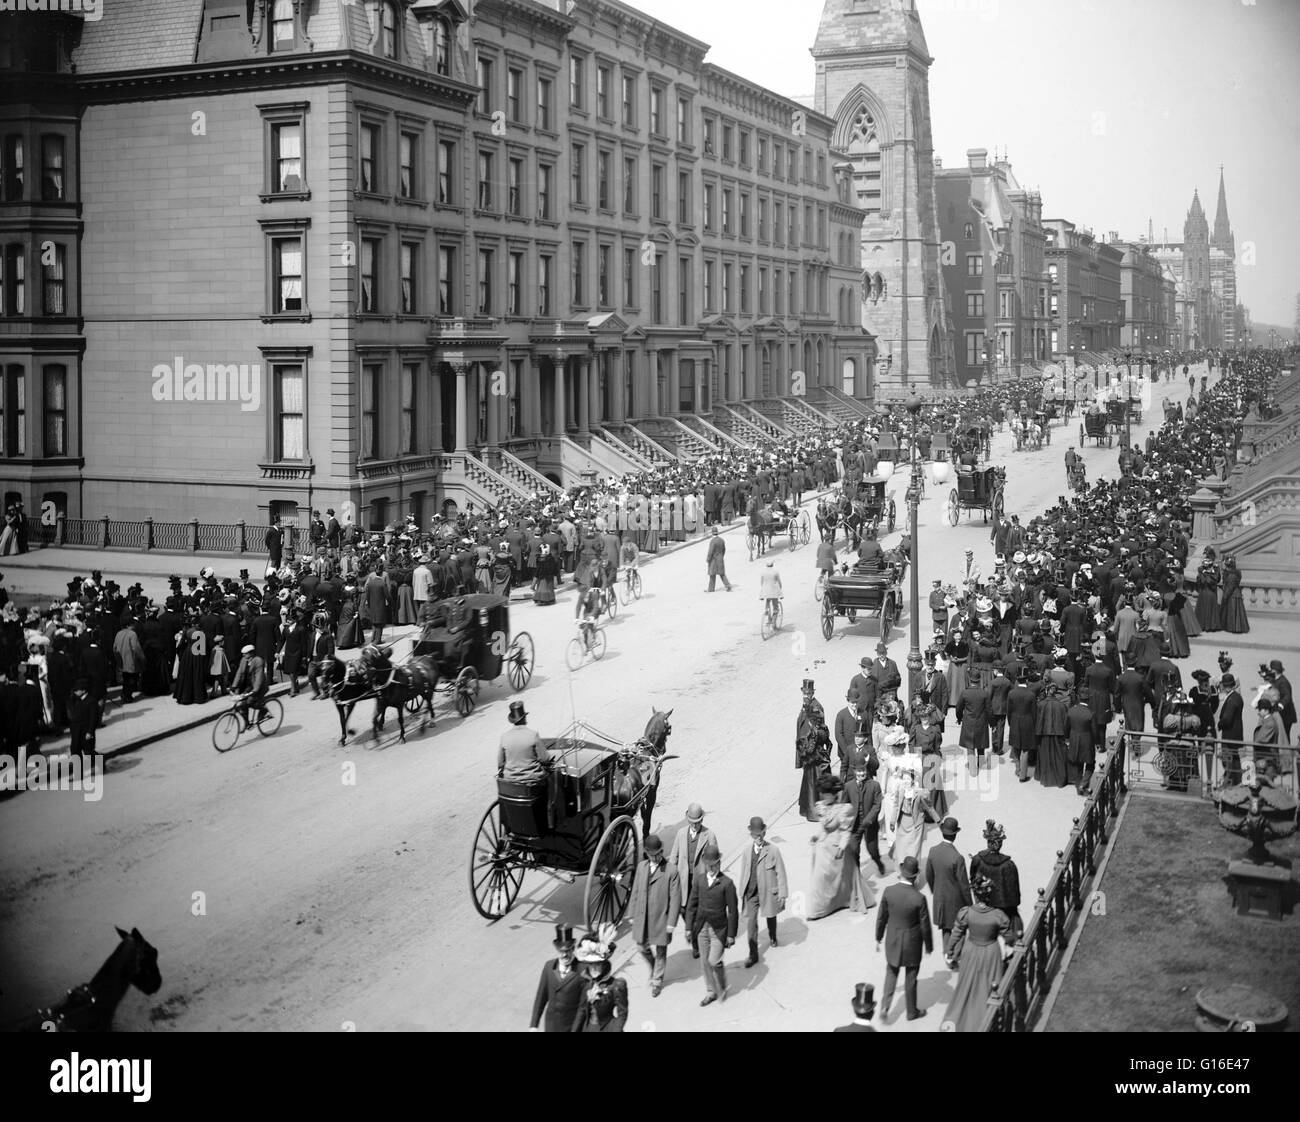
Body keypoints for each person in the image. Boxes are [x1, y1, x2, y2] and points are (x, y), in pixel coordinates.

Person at [942, 874, 1012, 1032]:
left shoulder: (966, 913)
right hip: (991, 953)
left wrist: (950, 951)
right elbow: (1009, 937)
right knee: (989, 985)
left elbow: (957, 933)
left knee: (967, 984)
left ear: (975, 894)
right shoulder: (998, 916)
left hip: (970, 951)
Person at [875, 855, 933, 1022]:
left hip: (893, 939)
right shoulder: (919, 898)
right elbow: (925, 925)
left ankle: (885, 1007)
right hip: (912, 943)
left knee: (891, 973)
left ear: (901, 872)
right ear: (915, 876)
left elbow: (881, 918)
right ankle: (911, 1011)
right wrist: (928, 946)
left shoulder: (889, 892)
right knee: (911, 978)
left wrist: (878, 937)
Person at [684, 844, 738, 1007]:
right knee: (705, 963)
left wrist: (730, 934)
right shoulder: (699, 881)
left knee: (714, 961)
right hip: (701, 928)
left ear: (719, 863)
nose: (712, 867)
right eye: (709, 865)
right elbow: (691, 905)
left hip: (718, 930)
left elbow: (733, 911)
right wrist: (688, 927)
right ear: (704, 864)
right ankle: (711, 992)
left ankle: (721, 986)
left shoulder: (727, 884)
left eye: (715, 864)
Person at [628, 833, 680, 998]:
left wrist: (671, 923)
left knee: (661, 950)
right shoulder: (642, 868)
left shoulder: (671, 870)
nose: (656, 857)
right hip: (643, 917)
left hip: (661, 918)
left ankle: (657, 981)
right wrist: (632, 913)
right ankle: (653, 966)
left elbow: (676, 899)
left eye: (659, 853)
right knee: (641, 946)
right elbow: (635, 891)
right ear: (647, 854)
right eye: (652, 855)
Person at [669, 803, 717, 959]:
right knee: (684, 910)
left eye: (698, 821)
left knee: (698, 912)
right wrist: (669, 878)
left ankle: (698, 943)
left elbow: (714, 860)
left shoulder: (709, 835)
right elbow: (673, 857)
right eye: (692, 821)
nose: (695, 825)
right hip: (683, 881)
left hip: (700, 881)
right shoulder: (681, 834)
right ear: (687, 819)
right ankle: (697, 938)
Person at [738, 817, 788, 967]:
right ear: (751, 835)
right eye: (755, 835)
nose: (759, 838)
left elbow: (781, 872)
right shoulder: (746, 851)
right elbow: (744, 872)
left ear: (765, 833)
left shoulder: (773, 850)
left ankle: (773, 936)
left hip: (767, 892)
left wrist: (783, 893)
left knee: (770, 915)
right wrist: (742, 891)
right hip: (751, 893)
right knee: (751, 923)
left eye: (761, 834)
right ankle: (753, 955)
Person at [807, 777, 857, 920]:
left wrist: (842, 846)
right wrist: (817, 836)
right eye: (822, 793)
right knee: (820, 878)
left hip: (835, 847)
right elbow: (824, 829)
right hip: (823, 848)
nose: (822, 796)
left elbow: (845, 831)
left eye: (825, 793)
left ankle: (837, 902)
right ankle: (817, 909)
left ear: (833, 794)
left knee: (836, 879)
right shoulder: (821, 806)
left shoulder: (844, 809)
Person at [925, 816, 972, 956]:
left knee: (946, 928)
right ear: (955, 834)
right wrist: (970, 904)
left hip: (940, 896)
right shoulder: (957, 857)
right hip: (956, 900)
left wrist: (935, 890)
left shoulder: (933, 851)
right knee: (960, 928)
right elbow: (964, 884)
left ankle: (947, 952)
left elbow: (929, 875)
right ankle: (954, 955)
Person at [969, 821, 1022, 941]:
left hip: (984, 906)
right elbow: (1014, 893)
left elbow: (973, 880)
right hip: (1005, 908)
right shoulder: (1009, 865)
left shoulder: (978, 859)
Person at [571, 926, 627, 1032]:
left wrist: (615, 1029)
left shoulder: (616, 985)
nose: (594, 968)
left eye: (598, 964)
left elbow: (622, 1014)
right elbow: (582, 1010)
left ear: (604, 964)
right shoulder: (585, 984)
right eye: (590, 964)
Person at [528, 925, 584, 1032]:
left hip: (572, 1026)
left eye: (567, 951)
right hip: (552, 1026)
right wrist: (534, 1025)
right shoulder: (549, 967)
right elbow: (541, 997)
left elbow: (583, 1006)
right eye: (560, 951)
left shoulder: (581, 970)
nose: (564, 955)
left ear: (573, 949)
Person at [883, 765, 938, 873]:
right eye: (904, 779)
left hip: (915, 824)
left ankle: (913, 874)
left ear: (913, 780)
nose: (905, 781)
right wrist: (893, 821)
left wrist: (938, 819)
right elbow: (896, 806)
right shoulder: (900, 790)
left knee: (914, 850)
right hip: (903, 822)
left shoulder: (920, 792)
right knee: (901, 848)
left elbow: (929, 807)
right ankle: (901, 871)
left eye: (908, 779)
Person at [796, 679, 832, 822]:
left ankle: (815, 811)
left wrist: (812, 742)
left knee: (814, 781)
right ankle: (807, 808)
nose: (806, 695)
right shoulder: (805, 705)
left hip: (814, 753)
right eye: (804, 693)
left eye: (809, 693)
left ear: (813, 693)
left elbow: (821, 729)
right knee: (809, 780)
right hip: (806, 750)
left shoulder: (816, 707)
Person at [496, 701, 549, 785]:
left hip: (510, 780)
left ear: (513, 721)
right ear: (524, 718)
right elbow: (545, 759)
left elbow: (500, 763)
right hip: (532, 779)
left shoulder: (504, 737)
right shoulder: (533, 735)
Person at [228, 643, 268, 731]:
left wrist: (255, 690)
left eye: (245, 653)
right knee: (241, 703)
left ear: (251, 653)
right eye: (243, 653)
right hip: (247, 685)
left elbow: (259, 677)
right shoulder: (243, 660)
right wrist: (234, 686)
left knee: (250, 701)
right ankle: (247, 723)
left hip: (258, 686)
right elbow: (239, 673)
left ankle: (264, 709)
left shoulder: (258, 661)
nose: (243, 655)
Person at [1220, 555, 1249, 634]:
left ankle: (1235, 628)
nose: (1224, 567)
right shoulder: (1233, 573)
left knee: (1233, 612)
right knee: (1236, 612)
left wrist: (1225, 597)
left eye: (1226, 565)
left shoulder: (1231, 575)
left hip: (1233, 596)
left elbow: (1230, 587)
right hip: (1236, 594)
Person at [705, 525, 732, 592]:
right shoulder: (721, 540)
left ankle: (711, 589)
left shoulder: (712, 541)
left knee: (712, 574)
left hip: (713, 560)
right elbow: (724, 549)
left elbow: (710, 551)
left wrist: (708, 559)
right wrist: (721, 556)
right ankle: (728, 586)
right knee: (722, 574)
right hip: (720, 559)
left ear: (712, 533)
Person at [759, 560, 782, 626]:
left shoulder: (763, 572)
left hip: (765, 592)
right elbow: (779, 582)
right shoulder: (775, 572)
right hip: (774, 591)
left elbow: (761, 583)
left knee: (768, 601)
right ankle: (773, 623)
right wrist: (780, 591)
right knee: (776, 608)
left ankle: (767, 611)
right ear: (772, 565)